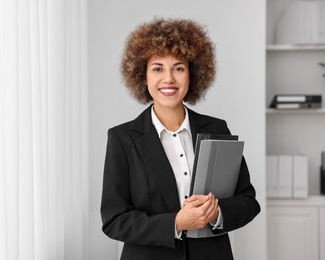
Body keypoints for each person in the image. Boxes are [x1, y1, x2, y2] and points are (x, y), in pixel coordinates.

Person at [100, 18, 260, 260]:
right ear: (143, 76)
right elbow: (114, 220)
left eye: (178, 68)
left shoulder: (217, 128)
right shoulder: (122, 138)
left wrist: (215, 213)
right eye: (157, 68)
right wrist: (176, 222)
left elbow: (248, 201)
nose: (168, 79)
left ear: (191, 74)